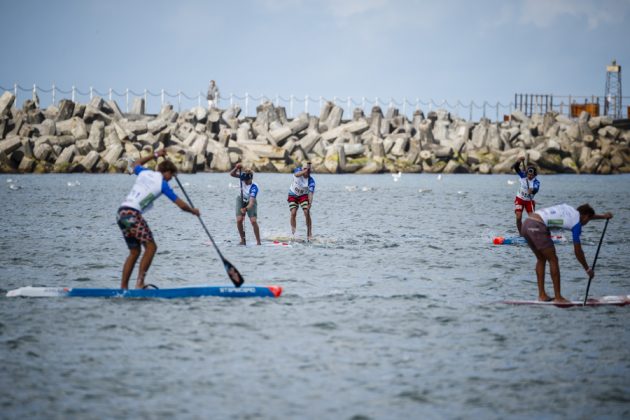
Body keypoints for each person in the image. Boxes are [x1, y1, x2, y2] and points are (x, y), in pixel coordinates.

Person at [117, 149, 200, 289]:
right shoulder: (162, 184)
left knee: (135, 252)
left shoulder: (144, 172)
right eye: (171, 175)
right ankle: (140, 284)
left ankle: (123, 288)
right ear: (167, 172)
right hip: (132, 214)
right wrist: (193, 211)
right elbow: (180, 204)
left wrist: (155, 155)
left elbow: (136, 163)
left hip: (121, 213)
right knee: (151, 247)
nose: (171, 179)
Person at [521, 203, 613, 303]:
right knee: (553, 259)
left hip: (526, 224)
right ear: (585, 216)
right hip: (537, 226)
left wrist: (604, 216)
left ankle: (542, 295)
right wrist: (587, 269)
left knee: (541, 259)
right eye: (588, 220)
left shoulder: (571, 210)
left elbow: (589, 215)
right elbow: (578, 251)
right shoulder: (576, 223)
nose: (587, 222)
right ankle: (558, 297)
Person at [229, 163, 261, 245]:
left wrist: (245, 209)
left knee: (253, 221)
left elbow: (251, 203)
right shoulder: (243, 176)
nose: (245, 182)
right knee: (239, 220)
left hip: (250, 201)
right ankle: (242, 240)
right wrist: (236, 168)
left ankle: (258, 242)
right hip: (240, 198)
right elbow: (231, 174)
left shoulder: (254, 187)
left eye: (247, 181)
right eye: (244, 180)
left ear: (251, 179)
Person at [287, 162, 315, 241]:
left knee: (306, 212)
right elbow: (296, 175)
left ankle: (309, 233)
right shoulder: (298, 171)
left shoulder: (311, 181)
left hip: (303, 196)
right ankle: (294, 233)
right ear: (302, 169)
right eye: (305, 169)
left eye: (308, 171)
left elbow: (311, 193)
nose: (307, 172)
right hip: (293, 194)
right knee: (293, 212)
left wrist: (310, 203)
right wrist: (305, 170)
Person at [513, 156, 540, 235]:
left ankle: (534, 234)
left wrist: (532, 190)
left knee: (533, 219)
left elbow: (536, 189)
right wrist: (519, 161)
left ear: (535, 175)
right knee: (518, 217)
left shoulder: (536, 182)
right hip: (520, 199)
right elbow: (516, 168)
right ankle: (521, 234)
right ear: (526, 173)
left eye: (532, 175)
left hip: (529, 201)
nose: (530, 176)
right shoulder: (523, 176)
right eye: (529, 174)